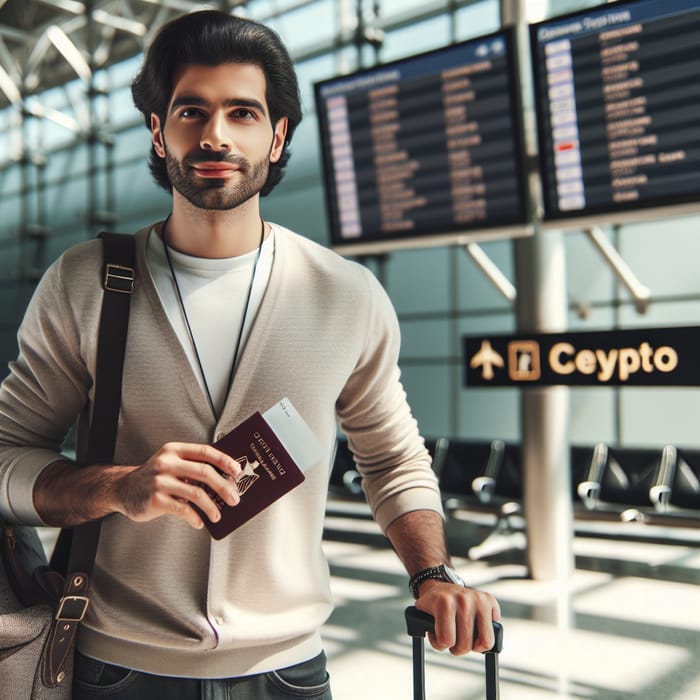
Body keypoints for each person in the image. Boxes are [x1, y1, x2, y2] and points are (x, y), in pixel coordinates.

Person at [0, 10, 500, 699]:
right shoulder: (87, 282)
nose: (215, 135)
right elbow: (5, 455)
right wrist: (118, 486)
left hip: (289, 671)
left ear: (277, 135)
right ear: (158, 129)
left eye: (242, 113)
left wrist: (434, 575)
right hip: (116, 668)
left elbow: (391, 459)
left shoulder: (345, 295)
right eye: (190, 111)